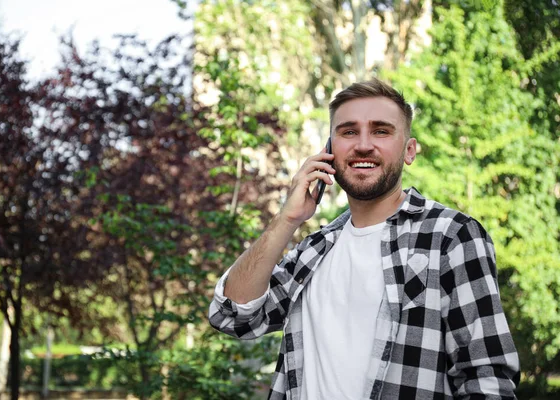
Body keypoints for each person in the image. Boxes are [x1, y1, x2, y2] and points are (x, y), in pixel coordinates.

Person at [208, 79, 520, 399]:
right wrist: (286, 219)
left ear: (408, 150)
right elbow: (233, 316)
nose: (363, 145)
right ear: (329, 151)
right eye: (348, 132)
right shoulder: (313, 250)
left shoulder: (452, 237)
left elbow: (486, 376)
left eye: (381, 131)